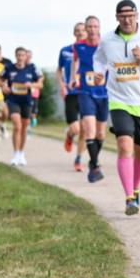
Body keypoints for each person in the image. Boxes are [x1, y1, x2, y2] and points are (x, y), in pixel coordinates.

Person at [93, 0, 140, 215]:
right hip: (119, 100)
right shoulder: (107, 40)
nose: (127, 20)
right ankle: (129, 199)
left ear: (137, 16)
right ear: (117, 17)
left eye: (130, 15)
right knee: (125, 146)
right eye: (122, 16)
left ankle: (136, 188)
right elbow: (99, 59)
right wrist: (99, 73)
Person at [71, 16, 109, 182]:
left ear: (99, 28)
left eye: (95, 26)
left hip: (104, 93)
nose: (93, 29)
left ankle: (93, 161)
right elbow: (75, 63)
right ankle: (95, 167)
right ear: (85, 29)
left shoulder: (106, 45)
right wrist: (73, 78)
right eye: (90, 27)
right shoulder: (78, 46)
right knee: (90, 131)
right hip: (85, 92)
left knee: (101, 134)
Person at [0, 47, 43, 165]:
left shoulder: (31, 69)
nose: (20, 58)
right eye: (18, 55)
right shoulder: (9, 68)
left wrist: (32, 85)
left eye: (22, 55)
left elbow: (40, 84)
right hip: (13, 100)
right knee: (17, 125)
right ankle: (15, 154)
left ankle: (21, 153)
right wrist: (3, 86)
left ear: (26, 57)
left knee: (24, 127)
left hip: (27, 101)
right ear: (15, 56)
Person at [58, 22, 88, 171]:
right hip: (71, 93)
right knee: (76, 129)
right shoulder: (65, 51)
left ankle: (78, 159)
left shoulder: (92, 50)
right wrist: (62, 85)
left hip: (86, 93)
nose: (80, 32)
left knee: (85, 129)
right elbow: (59, 70)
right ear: (74, 33)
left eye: (83, 30)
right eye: (77, 30)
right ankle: (69, 135)